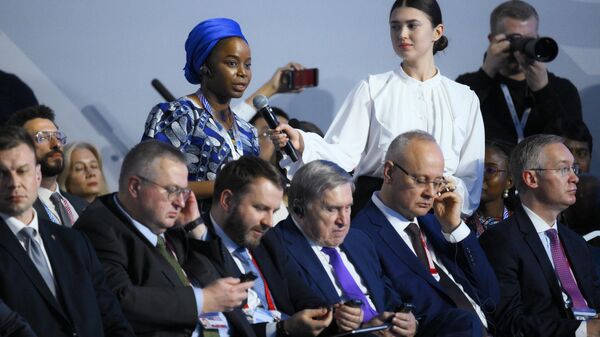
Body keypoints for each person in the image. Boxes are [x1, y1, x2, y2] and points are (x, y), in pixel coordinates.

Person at [273, 0, 484, 217]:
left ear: (437, 32)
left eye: (412, 25)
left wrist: (447, 190)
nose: (402, 34)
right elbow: (342, 153)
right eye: (395, 26)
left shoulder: (464, 98)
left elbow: (471, 176)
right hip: (377, 210)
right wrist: (303, 142)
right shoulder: (372, 88)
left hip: (439, 214)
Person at [73, 140, 256, 337]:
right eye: (172, 190)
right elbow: (119, 300)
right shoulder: (98, 227)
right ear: (135, 187)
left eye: (184, 192)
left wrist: (195, 226)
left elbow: (228, 279)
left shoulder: (168, 223)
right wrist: (202, 300)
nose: (180, 202)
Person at [352, 130, 499, 336]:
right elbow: (389, 314)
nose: (430, 192)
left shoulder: (437, 223)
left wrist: (455, 227)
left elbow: (490, 293)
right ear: (389, 172)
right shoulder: (359, 235)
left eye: (437, 181)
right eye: (420, 180)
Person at [0, 126, 134, 337]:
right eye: (2, 173)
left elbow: (111, 316)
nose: (14, 183)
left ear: (37, 174)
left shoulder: (74, 241)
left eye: (22, 170)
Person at [191, 156, 337, 337]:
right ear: (227, 201)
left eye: (274, 211)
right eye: (260, 208)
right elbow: (216, 330)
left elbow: (304, 296)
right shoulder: (194, 247)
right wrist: (284, 329)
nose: (269, 222)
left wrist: (334, 316)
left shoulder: (268, 240)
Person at [274, 160, 419, 336]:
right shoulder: (277, 247)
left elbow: (389, 297)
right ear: (299, 209)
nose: (343, 221)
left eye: (348, 207)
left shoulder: (359, 240)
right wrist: (362, 331)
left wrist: (408, 321)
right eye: (332, 209)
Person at [479, 134, 600, 337]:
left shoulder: (575, 242)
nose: (575, 177)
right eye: (563, 169)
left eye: (574, 168)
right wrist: (584, 330)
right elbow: (509, 322)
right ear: (531, 178)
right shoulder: (500, 241)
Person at [142, 18, 259, 200]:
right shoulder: (178, 115)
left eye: (248, 65)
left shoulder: (248, 132)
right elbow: (154, 182)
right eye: (232, 63)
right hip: (185, 225)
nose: (242, 73)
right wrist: (224, 188)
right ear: (205, 66)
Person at [456, 0, 582, 146]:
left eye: (529, 40)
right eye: (514, 39)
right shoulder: (467, 86)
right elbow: (455, 130)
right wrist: (487, 72)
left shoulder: (563, 89)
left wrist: (543, 90)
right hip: (490, 168)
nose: (522, 47)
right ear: (492, 40)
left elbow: (573, 145)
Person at [7, 105, 88, 226]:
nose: (56, 144)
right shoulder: (13, 208)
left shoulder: (84, 207)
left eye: (58, 136)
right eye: (43, 137)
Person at [466, 142, 514, 237]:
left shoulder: (522, 225)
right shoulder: (457, 222)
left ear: (509, 182)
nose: (479, 176)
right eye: (476, 169)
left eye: (490, 170)